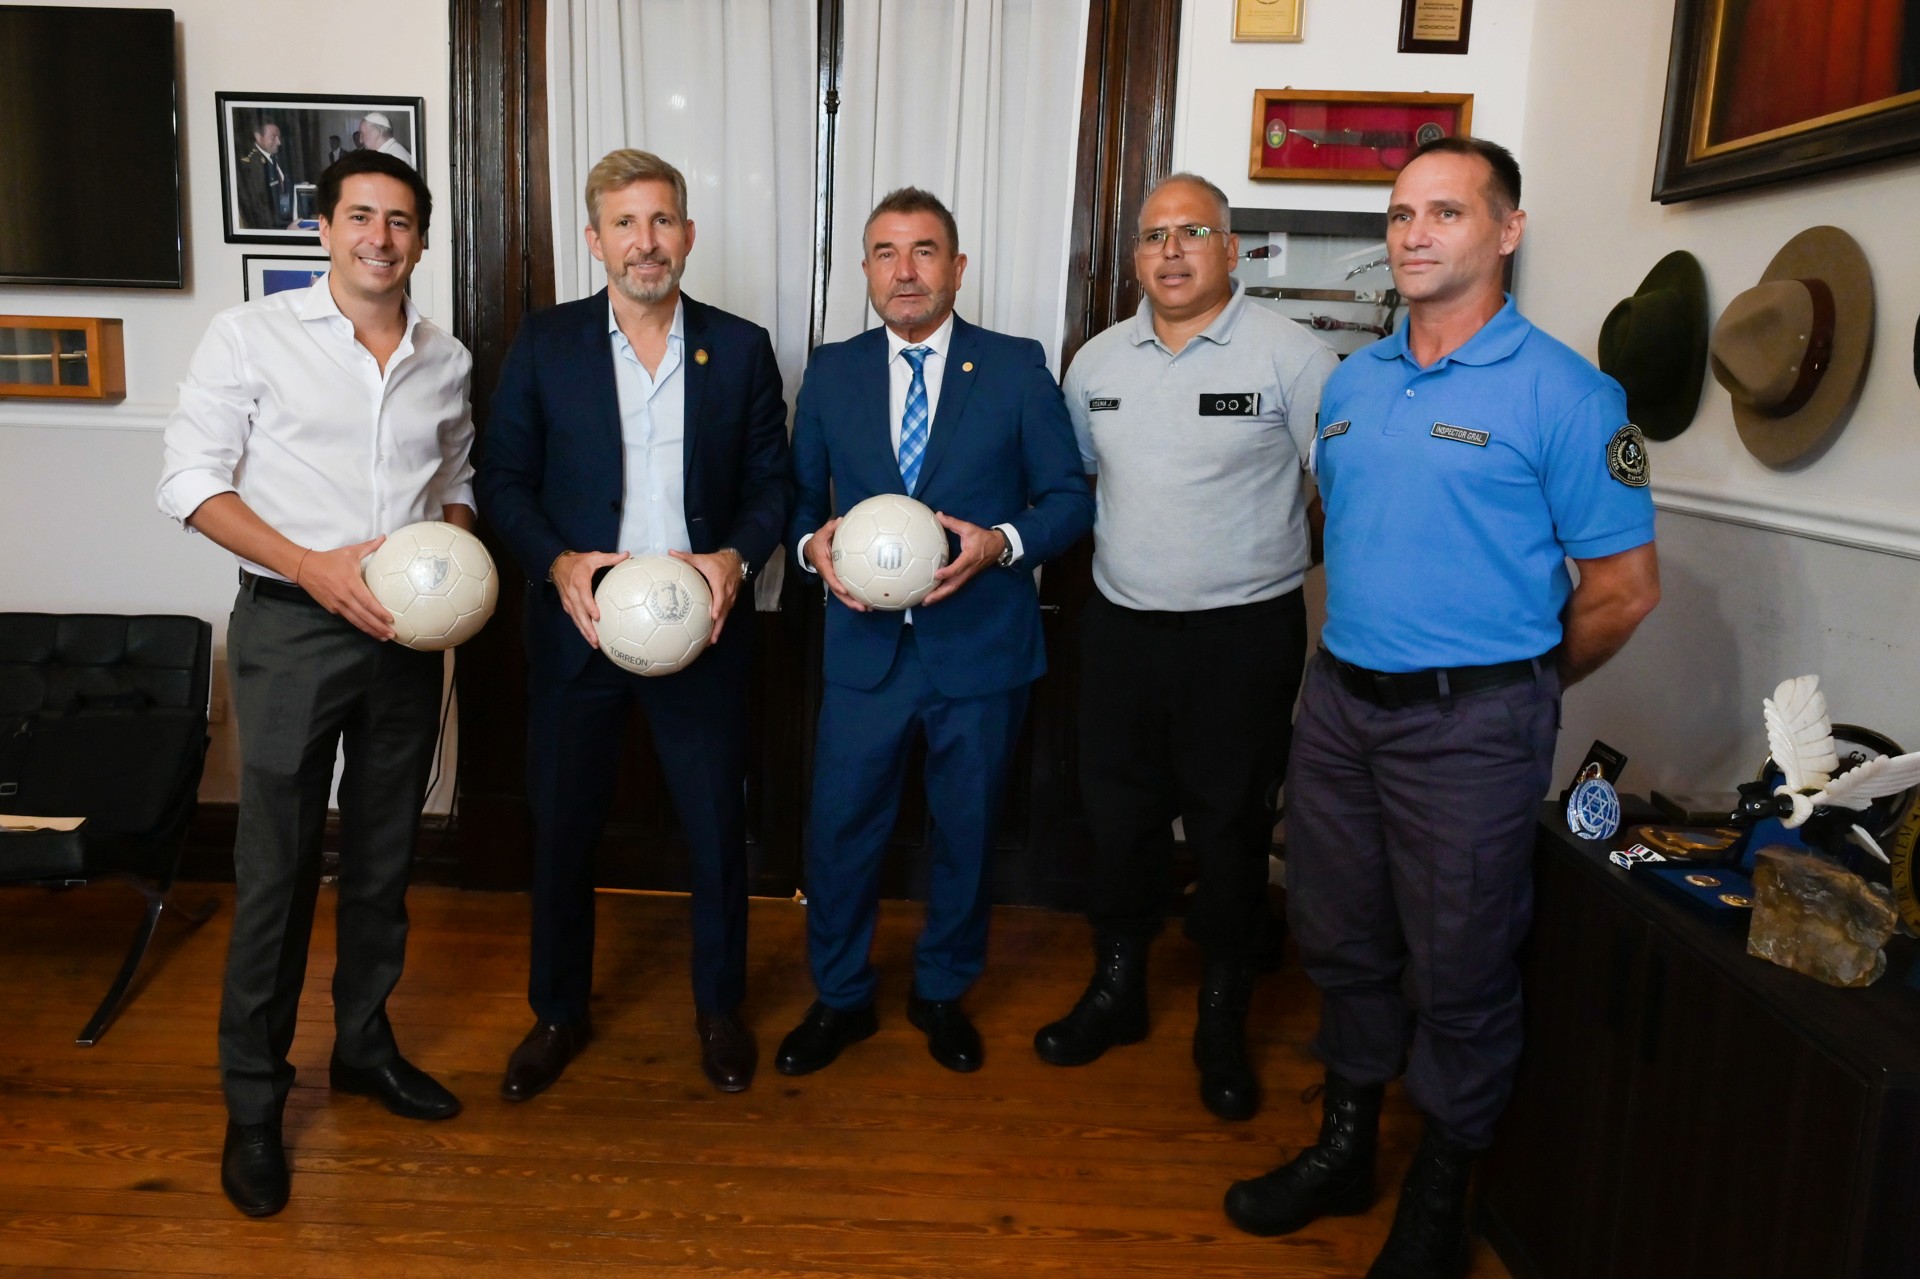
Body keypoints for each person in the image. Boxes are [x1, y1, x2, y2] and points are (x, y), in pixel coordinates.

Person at [1222, 136, 1660, 1279]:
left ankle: (1441, 1188)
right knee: (1338, 935)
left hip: (1472, 728)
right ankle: (1347, 1145)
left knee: (1460, 966)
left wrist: (1518, 686)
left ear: (1507, 230)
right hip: (1340, 708)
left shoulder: (1569, 393)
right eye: (1401, 213)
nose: (1414, 234)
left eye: (1446, 212)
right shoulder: (1355, 381)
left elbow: (1623, 589)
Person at [156, 150, 474, 1218]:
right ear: (324, 229)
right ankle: (253, 1103)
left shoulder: (444, 356)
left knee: (384, 859)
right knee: (278, 871)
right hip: (293, 627)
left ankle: (363, 1048)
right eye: (360, 217)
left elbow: (456, 476)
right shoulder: (250, 335)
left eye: (400, 221)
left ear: (421, 240)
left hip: (409, 637)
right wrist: (310, 565)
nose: (380, 238)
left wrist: (454, 558)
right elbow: (189, 481)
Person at [476, 148, 790, 1101]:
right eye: (624, 223)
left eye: (661, 222)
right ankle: (557, 1012)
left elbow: (772, 485)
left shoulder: (741, 347)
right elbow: (504, 480)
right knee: (563, 830)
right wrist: (557, 562)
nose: (644, 242)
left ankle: (719, 1010)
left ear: (688, 235)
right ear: (595, 238)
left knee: (714, 831)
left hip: (703, 630)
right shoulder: (546, 342)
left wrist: (736, 559)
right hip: (580, 629)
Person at [1035, 173, 1337, 1121]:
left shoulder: (1295, 356)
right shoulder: (1095, 363)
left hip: (1242, 637)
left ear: (1231, 249)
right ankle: (1118, 988)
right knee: (1117, 818)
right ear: (1135, 255)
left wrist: (1264, 557)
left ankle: (1222, 1011)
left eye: (1193, 232)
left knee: (1229, 828)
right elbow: (1084, 486)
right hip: (1120, 631)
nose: (1170, 252)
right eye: (1153, 235)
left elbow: (1343, 493)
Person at [776, 188, 1094, 1078]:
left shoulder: (1016, 367)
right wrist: (811, 550)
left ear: (957, 267)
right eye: (885, 253)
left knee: (967, 830)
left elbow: (1068, 499)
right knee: (841, 832)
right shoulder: (831, 372)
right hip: (865, 652)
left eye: (924, 251)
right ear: (865, 271)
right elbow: (799, 502)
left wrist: (1001, 543)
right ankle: (840, 995)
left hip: (981, 649)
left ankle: (942, 990)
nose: (905, 270)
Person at [236, 120, 290, 230]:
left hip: (284, 220)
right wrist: (285, 231)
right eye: (273, 137)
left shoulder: (277, 157)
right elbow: (258, 208)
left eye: (279, 137)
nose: (279, 142)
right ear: (258, 137)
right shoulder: (252, 165)